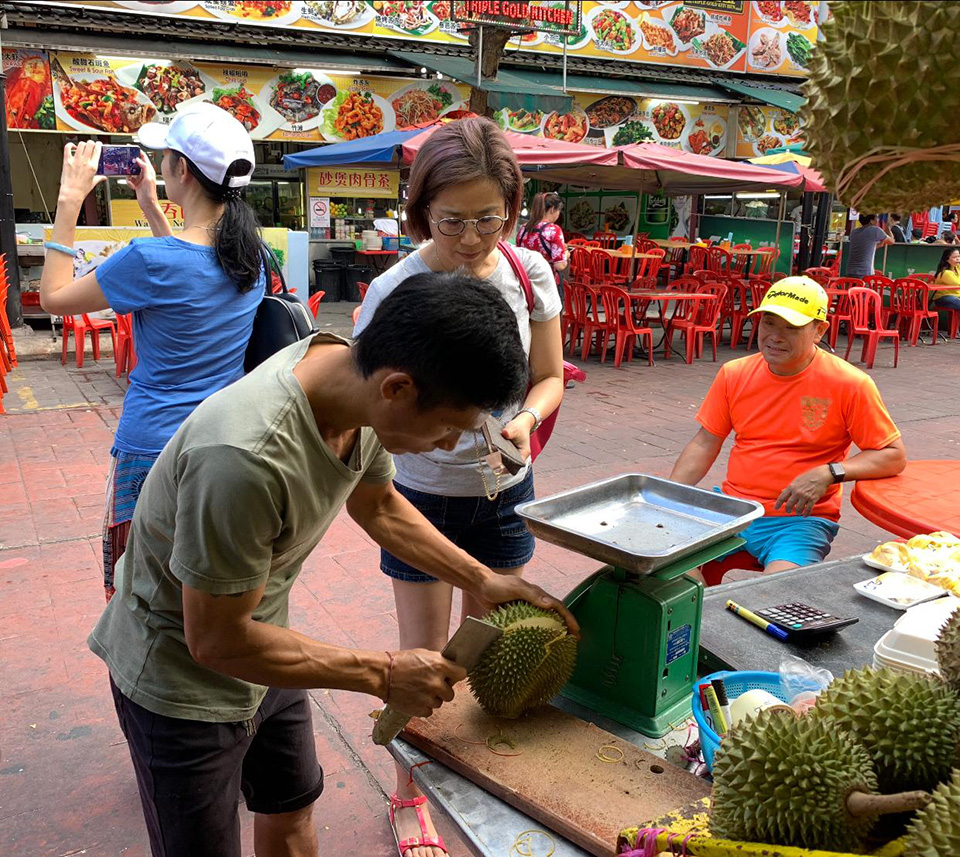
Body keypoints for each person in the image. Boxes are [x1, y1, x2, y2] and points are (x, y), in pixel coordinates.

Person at [87, 273, 579, 857]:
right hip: (179, 679)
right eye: (450, 426)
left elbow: (379, 504)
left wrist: (482, 578)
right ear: (397, 389)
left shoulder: (352, 383)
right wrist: (383, 673)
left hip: (267, 649)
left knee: (292, 815)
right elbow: (215, 641)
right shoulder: (243, 458)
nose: (450, 445)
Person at [353, 117, 564, 857]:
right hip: (422, 496)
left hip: (507, 489)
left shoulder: (528, 273)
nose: (472, 237)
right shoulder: (395, 288)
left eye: (489, 218)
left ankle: (484, 773)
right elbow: (374, 402)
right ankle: (410, 794)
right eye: (452, 221)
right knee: (425, 658)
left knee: (496, 648)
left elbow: (547, 376)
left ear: (511, 207)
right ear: (419, 213)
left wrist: (527, 420)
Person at [39, 104, 264, 601]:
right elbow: (186, 266)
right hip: (223, 446)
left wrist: (70, 199)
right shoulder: (250, 255)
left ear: (180, 170)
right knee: (201, 589)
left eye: (165, 157)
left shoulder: (148, 260)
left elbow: (53, 298)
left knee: (143, 595)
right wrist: (149, 202)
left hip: (152, 450)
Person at [670, 276, 905, 581]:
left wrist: (829, 472)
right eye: (769, 323)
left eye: (791, 328)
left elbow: (893, 455)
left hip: (801, 521)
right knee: (665, 564)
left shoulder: (850, 383)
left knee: (779, 596)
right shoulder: (734, 374)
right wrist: (666, 498)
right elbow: (706, 442)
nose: (775, 337)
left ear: (819, 330)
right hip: (733, 509)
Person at [517, 191, 568, 297]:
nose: (558, 214)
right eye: (558, 210)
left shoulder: (523, 229)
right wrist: (566, 254)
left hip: (525, 282)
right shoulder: (554, 230)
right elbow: (560, 265)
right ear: (553, 209)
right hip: (547, 284)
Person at [932, 246, 960, 312]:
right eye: (954, 257)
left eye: (958, 256)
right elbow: (958, 283)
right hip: (943, 298)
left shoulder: (957, 268)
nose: (958, 259)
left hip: (957, 297)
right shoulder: (945, 273)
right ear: (947, 259)